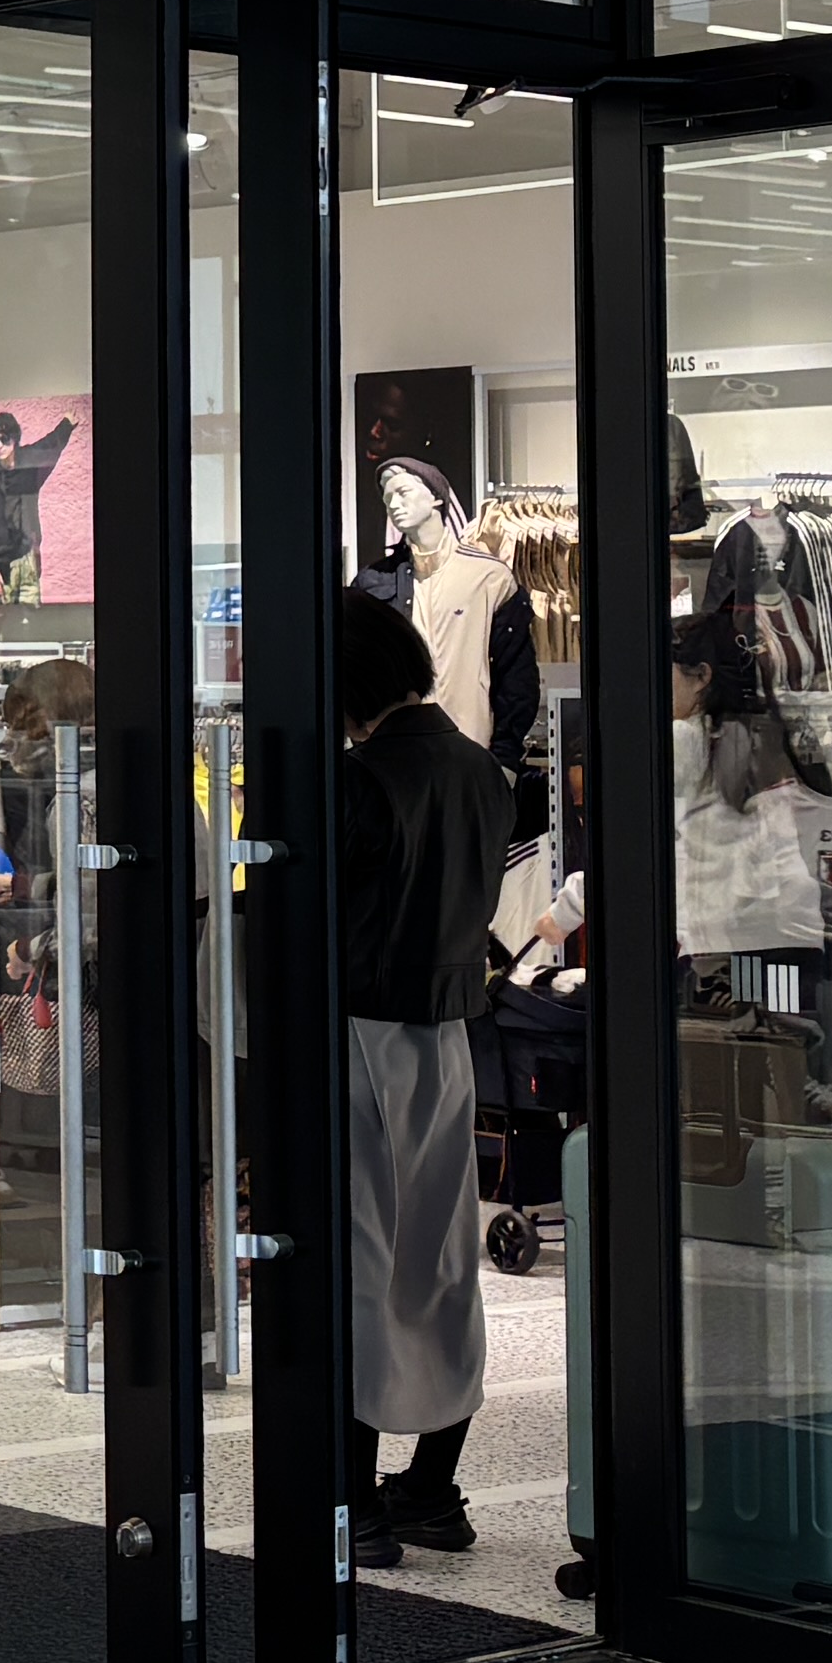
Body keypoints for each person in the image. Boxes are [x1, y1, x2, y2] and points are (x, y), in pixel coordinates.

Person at [336, 582, 510, 1564]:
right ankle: (435, 1487)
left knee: (359, 1265)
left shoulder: (360, 781)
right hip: (451, 1038)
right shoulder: (485, 775)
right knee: (445, 1264)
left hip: (361, 1034)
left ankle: (355, 1503)